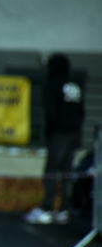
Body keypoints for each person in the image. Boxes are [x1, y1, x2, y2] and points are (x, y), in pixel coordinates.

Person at [25, 53, 85, 224]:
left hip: (59, 133)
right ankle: (65, 208)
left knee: (51, 171)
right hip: (75, 133)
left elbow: (51, 111)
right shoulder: (75, 85)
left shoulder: (52, 85)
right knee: (67, 172)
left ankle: (47, 206)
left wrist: (51, 131)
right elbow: (82, 111)